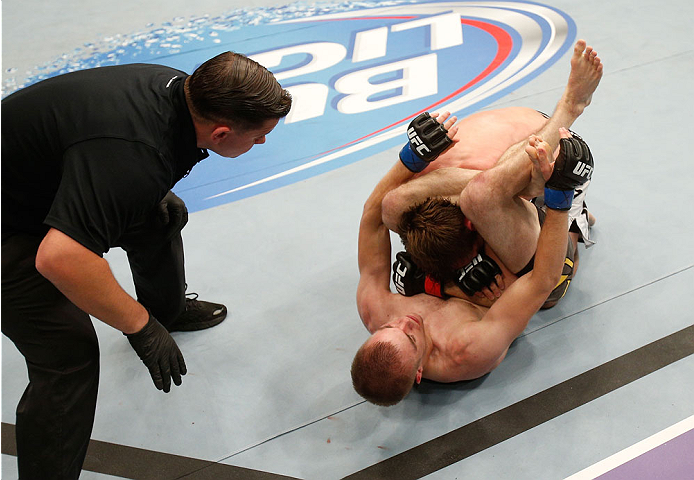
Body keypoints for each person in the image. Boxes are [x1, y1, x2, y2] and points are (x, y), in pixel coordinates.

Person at [1, 51, 291, 478]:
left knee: (157, 217)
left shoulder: (183, 90)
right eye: (259, 135)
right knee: (69, 355)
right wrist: (139, 326)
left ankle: (167, 310)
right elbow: (60, 257)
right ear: (222, 132)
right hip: (10, 232)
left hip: (29, 185)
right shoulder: (135, 157)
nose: (263, 142)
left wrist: (146, 193)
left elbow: (106, 158)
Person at [352, 40, 602, 406]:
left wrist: (409, 160)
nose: (404, 321)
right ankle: (570, 111)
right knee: (483, 196)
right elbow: (539, 282)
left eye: (388, 328)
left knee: (394, 206)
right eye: (409, 336)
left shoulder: (376, 310)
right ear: (420, 371)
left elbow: (372, 218)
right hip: (537, 270)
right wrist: (560, 198)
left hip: (473, 243)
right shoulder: (465, 351)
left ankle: (522, 190)